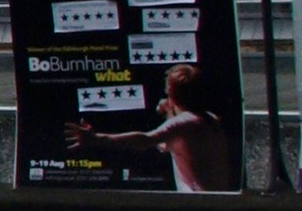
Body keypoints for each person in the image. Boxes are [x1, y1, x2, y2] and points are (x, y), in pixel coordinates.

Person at [67, 62, 238, 193]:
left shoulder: (185, 122)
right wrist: (170, 112)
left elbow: (146, 140)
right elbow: (168, 146)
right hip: (214, 199)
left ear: (170, 91)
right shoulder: (209, 119)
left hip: (200, 203)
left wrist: (97, 139)